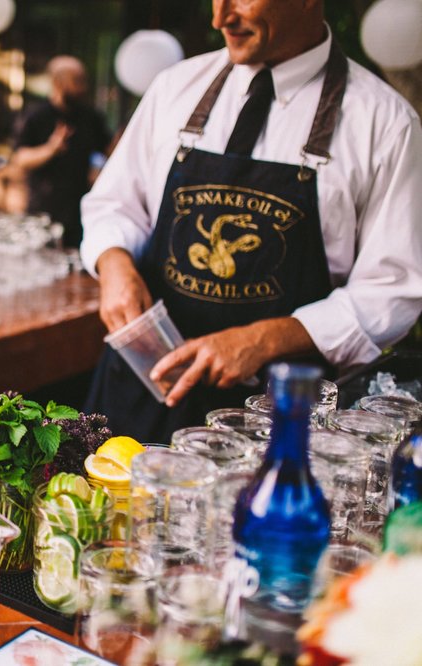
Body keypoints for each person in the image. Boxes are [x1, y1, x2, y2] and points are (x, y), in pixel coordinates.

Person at [80, 0, 422, 442]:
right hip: (139, 396)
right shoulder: (174, 88)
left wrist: (266, 338)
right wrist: (114, 264)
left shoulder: (384, 122)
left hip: (274, 421)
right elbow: (113, 203)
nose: (219, 18)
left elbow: (392, 289)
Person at [13, 56, 111, 248]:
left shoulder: (91, 117)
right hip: (43, 210)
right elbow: (21, 159)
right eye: (77, 81)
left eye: (83, 81)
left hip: (81, 210)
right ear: (58, 82)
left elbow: (107, 151)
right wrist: (51, 149)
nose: (83, 88)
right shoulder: (35, 116)